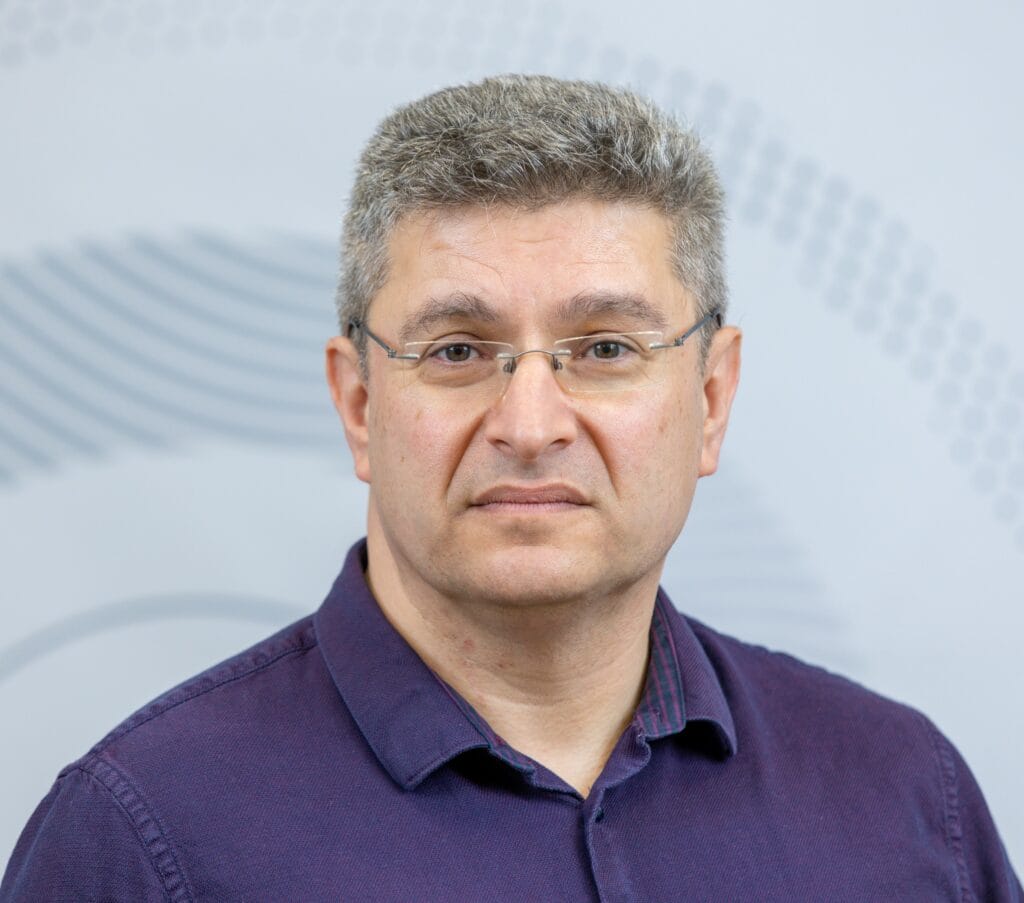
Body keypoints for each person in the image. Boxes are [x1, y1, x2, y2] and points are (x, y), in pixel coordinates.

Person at [2, 74, 1020, 902]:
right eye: (456, 350)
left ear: (710, 398)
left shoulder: (900, 797)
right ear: (358, 403)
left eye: (606, 347)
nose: (529, 427)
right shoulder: (142, 840)